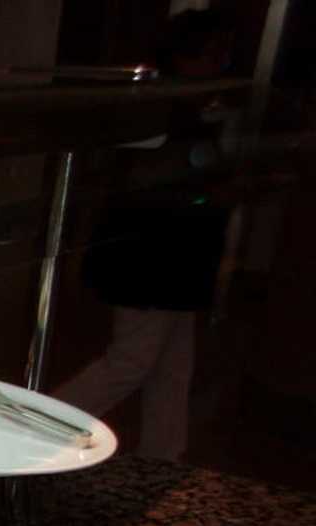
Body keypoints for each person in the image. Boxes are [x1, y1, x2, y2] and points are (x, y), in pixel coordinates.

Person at [54, 9, 237, 461]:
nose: (221, 62)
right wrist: (210, 191)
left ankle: (164, 457)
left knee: (172, 365)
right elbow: (145, 185)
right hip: (151, 257)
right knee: (134, 361)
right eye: (213, 53)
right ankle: (47, 423)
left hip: (174, 257)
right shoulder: (161, 106)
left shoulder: (188, 105)